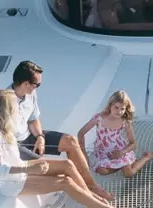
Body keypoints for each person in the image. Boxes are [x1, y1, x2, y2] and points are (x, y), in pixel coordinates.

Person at [0, 90, 131, 208]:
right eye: (15, 108)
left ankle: (92, 199)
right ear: (5, 111)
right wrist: (29, 168)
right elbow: (0, 168)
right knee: (65, 182)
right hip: (11, 183)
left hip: (21, 167)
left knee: (67, 165)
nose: (17, 111)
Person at [6, 60, 103, 198]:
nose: (38, 87)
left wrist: (40, 137)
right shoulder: (4, 101)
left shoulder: (30, 93)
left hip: (29, 136)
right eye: (37, 84)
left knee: (70, 141)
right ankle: (87, 195)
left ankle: (91, 186)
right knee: (57, 167)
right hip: (15, 146)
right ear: (26, 83)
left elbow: (33, 119)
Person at [78, 91, 153, 179]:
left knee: (129, 173)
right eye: (116, 107)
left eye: (122, 109)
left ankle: (147, 156)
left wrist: (121, 153)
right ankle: (121, 165)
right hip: (103, 150)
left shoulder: (125, 121)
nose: (119, 111)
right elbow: (80, 133)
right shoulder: (99, 118)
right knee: (102, 171)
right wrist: (84, 155)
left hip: (120, 149)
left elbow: (133, 143)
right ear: (110, 105)